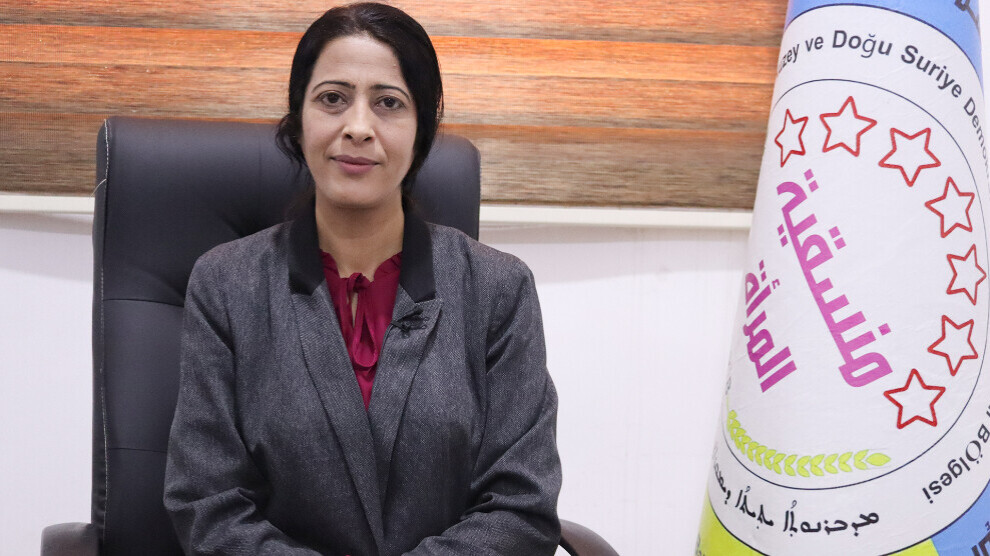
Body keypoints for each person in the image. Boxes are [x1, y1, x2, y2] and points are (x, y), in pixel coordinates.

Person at [162, 3, 562, 555]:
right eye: (332, 98)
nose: (357, 127)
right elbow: (209, 504)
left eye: (388, 103)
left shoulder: (497, 289)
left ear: (421, 129)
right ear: (298, 117)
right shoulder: (227, 285)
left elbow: (520, 508)